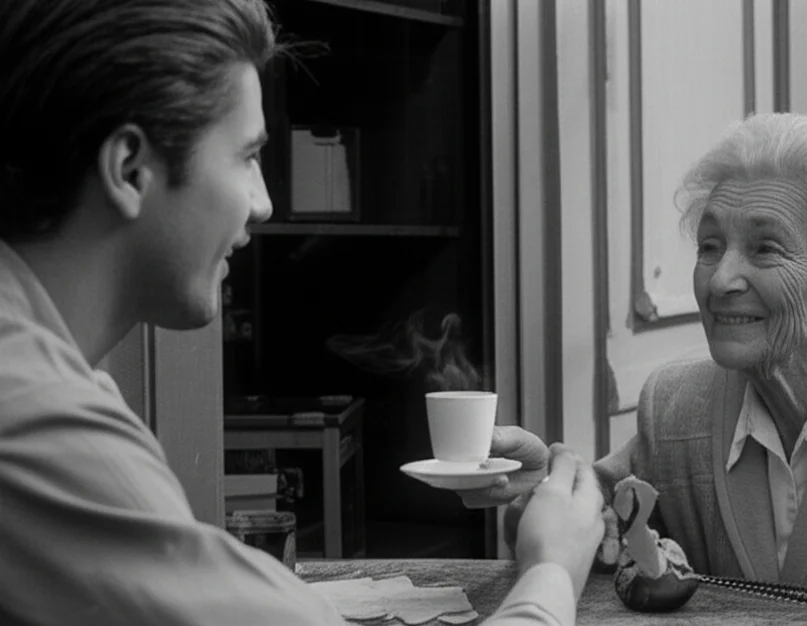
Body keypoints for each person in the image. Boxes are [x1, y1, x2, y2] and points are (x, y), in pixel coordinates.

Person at [0, 1, 603, 625]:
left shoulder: (45, 379)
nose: (262, 205)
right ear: (130, 168)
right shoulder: (39, 422)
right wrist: (550, 571)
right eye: (246, 156)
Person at [462, 113, 807, 625]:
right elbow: (600, 530)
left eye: (765, 249)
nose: (720, 279)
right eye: (710, 245)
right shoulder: (676, 402)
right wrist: (544, 489)